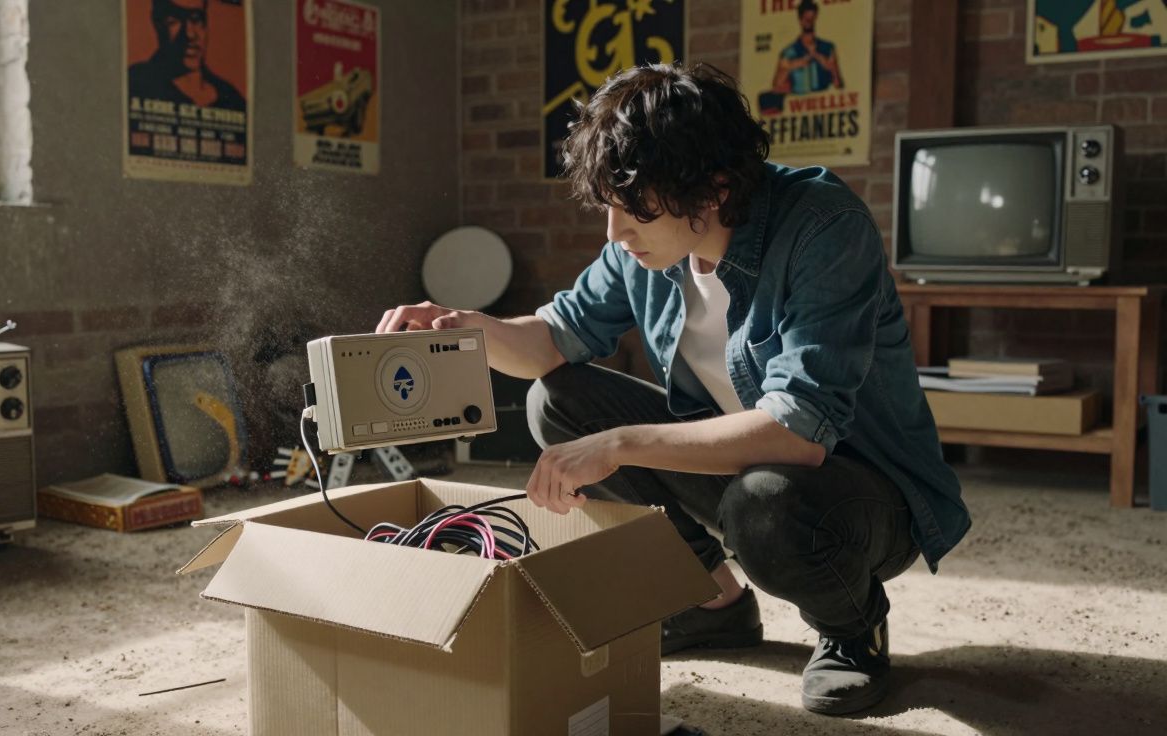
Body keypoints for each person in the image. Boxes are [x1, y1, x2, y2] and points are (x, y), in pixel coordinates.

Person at [377, 62, 969, 716]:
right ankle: (711, 600)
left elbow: (799, 435)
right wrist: (468, 330)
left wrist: (622, 444)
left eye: (634, 213)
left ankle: (853, 629)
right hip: (746, 474)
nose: (615, 235)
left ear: (713, 189)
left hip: (857, 493)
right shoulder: (644, 246)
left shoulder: (823, 229)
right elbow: (553, 337)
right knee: (559, 400)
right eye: (608, 210)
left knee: (765, 502)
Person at [128, 0, 245, 111]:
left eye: (196, 19)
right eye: (173, 20)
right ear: (156, 23)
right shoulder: (134, 84)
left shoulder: (233, 100)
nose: (189, 34)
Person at [772, 0, 844, 95]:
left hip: (823, 102)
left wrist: (831, 68)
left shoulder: (827, 48)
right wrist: (793, 66)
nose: (809, 22)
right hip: (799, 104)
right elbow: (776, 88)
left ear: (816, 17)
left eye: (811, 18)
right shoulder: (788, 53)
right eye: (806, 19)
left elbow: (839, 86)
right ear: (800, 19)